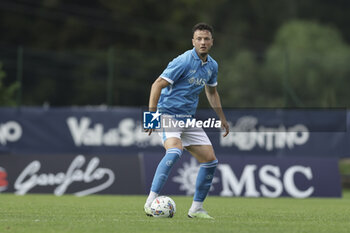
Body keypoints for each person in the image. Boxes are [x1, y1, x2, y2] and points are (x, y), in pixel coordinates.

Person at [144, 22, 229, 219]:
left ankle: (196, 209)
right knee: (174, 150)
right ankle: (150, 201)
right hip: (168, 114)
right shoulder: (183, 61)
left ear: (212, 42)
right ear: (193, 41)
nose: (202, 42)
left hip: (187, 119)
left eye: (206, 39)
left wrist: (222, 118)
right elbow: (157, 85)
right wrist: (151, 117)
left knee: (210, 160)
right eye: (199, 39)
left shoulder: (212, 66)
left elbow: (212, 91)